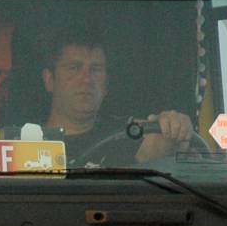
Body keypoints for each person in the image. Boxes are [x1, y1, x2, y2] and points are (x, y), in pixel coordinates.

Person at [39, 36, 196, 165]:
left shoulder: (128, 133)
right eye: (74, 68)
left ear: (106, 85)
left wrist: (173, 126)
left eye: (95, 70)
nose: (86, 79)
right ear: (49, 79)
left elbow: (160, 144)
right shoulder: (23, 142)